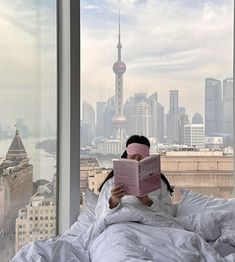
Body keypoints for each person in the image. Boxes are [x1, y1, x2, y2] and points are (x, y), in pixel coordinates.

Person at [95, 135, 177, 219]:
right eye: (133, 157)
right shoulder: (111, 182)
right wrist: (113, 201)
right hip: (121, 223)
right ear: (126, 157)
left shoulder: (158, 182)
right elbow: (99, 215)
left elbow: (171, 212)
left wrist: (149, 202)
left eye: (140, 157)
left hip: (151, 221)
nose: (136, 160)